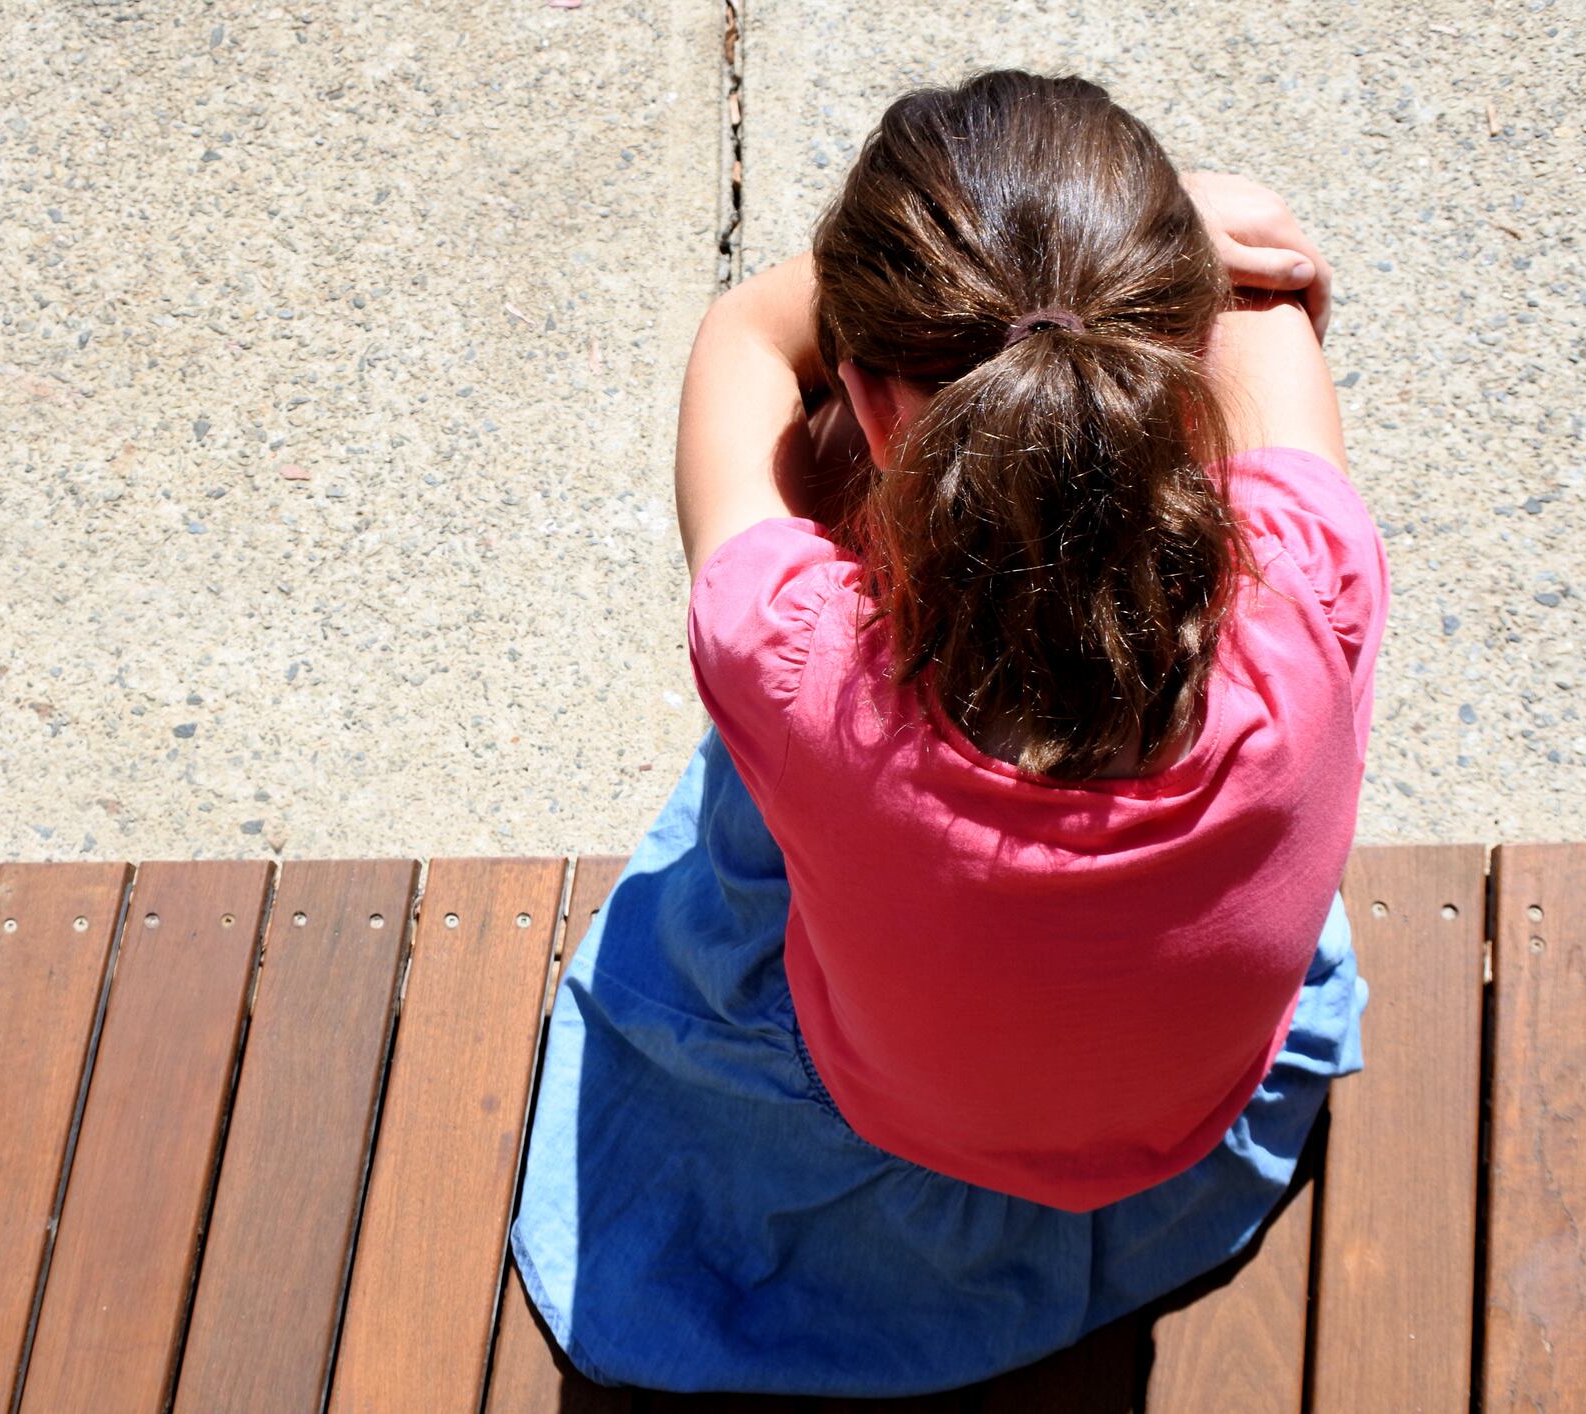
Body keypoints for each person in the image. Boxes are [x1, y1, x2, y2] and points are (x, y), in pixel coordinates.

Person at [506, 69, 1389, 1397]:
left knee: (771, 725)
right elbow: (1267, 283)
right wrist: (1135, 253)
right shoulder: (1316, 579)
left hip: (888, 1112)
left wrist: (978, 301)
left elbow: (747, 337)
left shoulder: (789, 656)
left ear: (872, 399)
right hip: (1188, 1122)